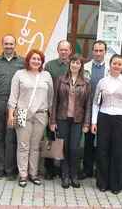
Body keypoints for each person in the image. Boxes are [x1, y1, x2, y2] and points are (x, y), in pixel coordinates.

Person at [7, 49, 54, 188]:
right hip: (22, 112)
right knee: (23, 145)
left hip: (41, 114)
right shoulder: (19, 74)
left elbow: (50, 98)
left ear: (42, 62)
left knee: (35, 146)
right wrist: (11, 114)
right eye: (33, 58)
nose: (36, 61)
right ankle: (23, 175)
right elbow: (13, 96)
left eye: (39, 59)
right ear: (28, 60)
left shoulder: (46, 76)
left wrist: (51, 117)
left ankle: (33, 174)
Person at [91, 54, 122, 194]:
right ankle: (102, 183)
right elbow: (95, 103)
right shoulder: (102, 82)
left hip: (121, 119)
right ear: (110, 65)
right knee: (102, 151)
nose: (116, 66)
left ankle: (116, 185)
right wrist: (94, 121)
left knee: (118, 152)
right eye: (114, 63)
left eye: (119, 64)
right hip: (104, 118)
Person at [50, 54, 91, 189]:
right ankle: (65, 175)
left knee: (74, 148)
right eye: (73, 62)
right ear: (69, 64)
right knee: (63, 148)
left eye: (78, 63)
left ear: (81, 66)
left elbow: (88, 105)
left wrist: (86, 123)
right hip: (62, 118)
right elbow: (55, 101)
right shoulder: (60, 80)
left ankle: (74, 175)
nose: (75, 65)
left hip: (77, 121)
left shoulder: (86, 83)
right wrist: (52, 121)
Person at [0, 35, 24, 180]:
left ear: (15, 45)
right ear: (2, 44)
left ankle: (11, 170)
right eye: (6, 44)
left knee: (13, 138)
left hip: (17, 105)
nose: (9, 46)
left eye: (11, 44)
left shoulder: (22, 62)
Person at [44, 40, 72, 180]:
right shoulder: (50, 65)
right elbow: (46, 87)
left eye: (66, 50)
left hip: (68, 110)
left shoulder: (74, 65)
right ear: (57, 50)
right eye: (61, 49)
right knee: (50, 139)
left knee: (64, 141)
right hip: (52, 107)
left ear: (70, 51)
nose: (63, 52)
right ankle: (49, 169)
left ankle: (62, 169)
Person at [81, 40, 109, 180]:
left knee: (103, 142)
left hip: (105, 110)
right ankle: (87, 170)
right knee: (88, 141)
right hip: (88, 109)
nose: (98, 53)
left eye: (101, 50)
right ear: (92, 52)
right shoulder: (85, 67)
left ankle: (101, 170)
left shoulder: (111, 68)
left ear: (105, 52)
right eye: (96, 50)